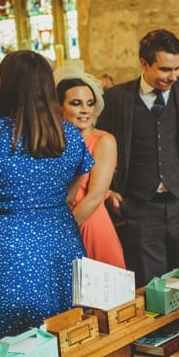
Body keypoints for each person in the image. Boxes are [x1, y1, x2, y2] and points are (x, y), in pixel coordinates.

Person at [0, 51, 93, 347]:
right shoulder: (68, 134)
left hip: (6, 247)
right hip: (60, 242)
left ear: (7, 85)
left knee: (9, 347)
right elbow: (72, 192)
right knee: (65, 336)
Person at [96, 29, 179, 286]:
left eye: (177, 68)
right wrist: (108, 190)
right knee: (151, 290)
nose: (173, 77)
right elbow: (98, 145)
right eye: (164, 70)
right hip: (140, 209)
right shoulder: (117, 99)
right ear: (144, 64)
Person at [56, 74, 126, 269]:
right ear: (58, 106)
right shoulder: (52, 144)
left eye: (89, 103)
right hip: (58, 219)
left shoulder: (103, 141)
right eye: (76, 103)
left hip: (89, 222)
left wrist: (60, 234)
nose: (85, 110)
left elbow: (95, 196)